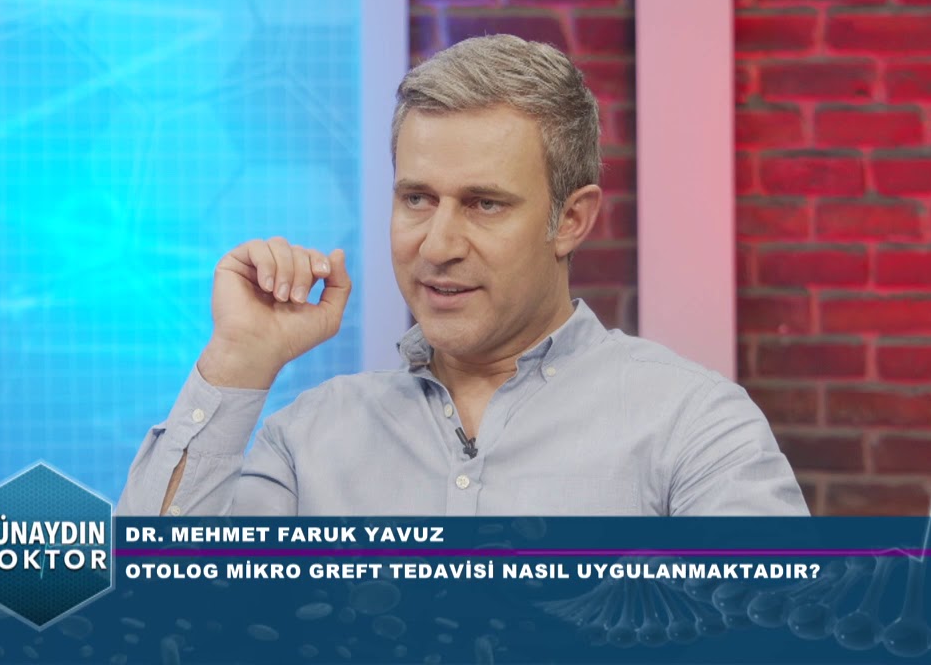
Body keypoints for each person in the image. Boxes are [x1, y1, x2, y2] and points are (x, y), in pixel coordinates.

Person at [117, 35, 808, 517]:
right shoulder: (310, 438)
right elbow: (151, 611)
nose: (438, 245)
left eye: (484, 204)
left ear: (571, 220)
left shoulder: (690, 425)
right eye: (417, 198)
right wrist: (238, 360)